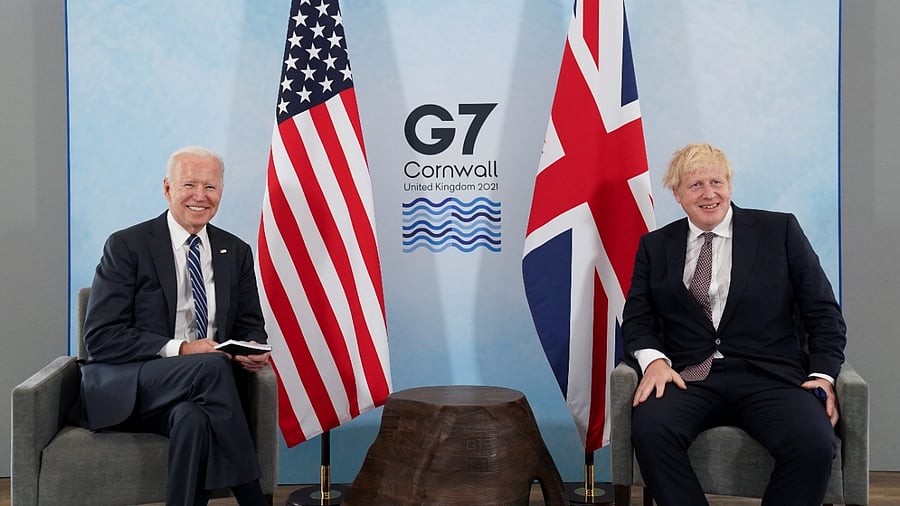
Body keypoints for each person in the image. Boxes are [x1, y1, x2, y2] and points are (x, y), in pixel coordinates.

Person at [621, 142, 846, 506]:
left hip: (771, 376)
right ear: (677, 194)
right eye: (695, 185)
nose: (709, 194)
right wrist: (655, 362)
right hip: (689, 377)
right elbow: (637, 318)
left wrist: (822, 376)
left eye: (717, 182)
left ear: (729, 185)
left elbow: (822, 312)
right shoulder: (655, 246)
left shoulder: (780, 231)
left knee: (814, 442)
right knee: (651, 430)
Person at [74, 146, 272, 506]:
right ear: (167, 189)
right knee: (210, 365)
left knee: (193, 420)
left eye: (210, 187)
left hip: (201, 393)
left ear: (222, 192)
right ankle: (254, 499)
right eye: (189, 185)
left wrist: (252, 350)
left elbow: (250, 326)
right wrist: (181, 349)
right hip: (132, 383)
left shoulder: (236, 251)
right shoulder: (127, 246)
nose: (200, 196)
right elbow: (100, 338)